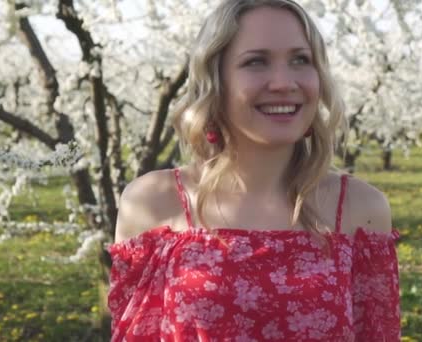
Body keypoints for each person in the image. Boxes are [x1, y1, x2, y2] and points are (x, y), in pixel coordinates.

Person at [107, 0, 401, 340]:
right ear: (216, 81)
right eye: (256, 62)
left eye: (300, 60)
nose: (283, 82)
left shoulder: (360, 209)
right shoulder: (153, 202)